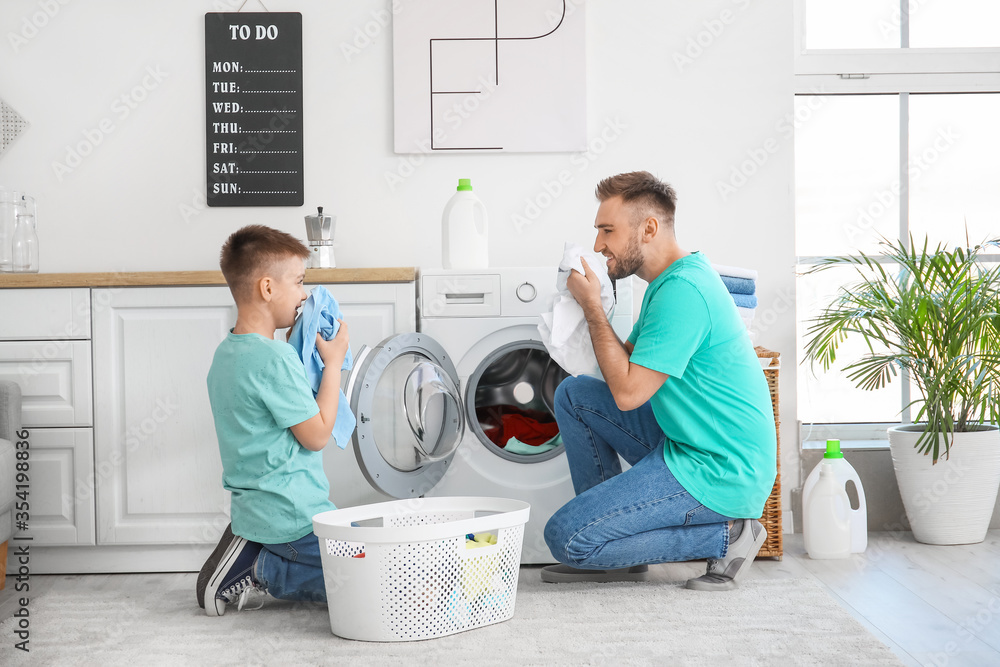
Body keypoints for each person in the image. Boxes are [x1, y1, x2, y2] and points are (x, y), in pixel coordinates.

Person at [541, 171, 776, 591]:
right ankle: (612, 547)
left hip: (717, 468)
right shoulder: (665, 282)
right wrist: (590, 308)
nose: (597, 245)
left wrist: (593, 307)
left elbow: (629, 394)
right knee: (575, 394)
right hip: (688, 441)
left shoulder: (683, 291)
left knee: (566, 538)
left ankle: (728, 535)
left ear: (648, 228)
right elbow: (626, 365)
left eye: (607, 230)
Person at [196, 225, 350, 615]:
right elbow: (316, 436)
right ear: (267, 288)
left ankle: (249, 546)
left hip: (261, 510)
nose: (303, 294)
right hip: (294, 517)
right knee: (371, 582)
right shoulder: (275, 360)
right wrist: (332, 365)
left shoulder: (228, 353)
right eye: (299, 282)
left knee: (362, 568)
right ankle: (259, 565)